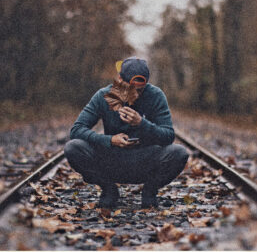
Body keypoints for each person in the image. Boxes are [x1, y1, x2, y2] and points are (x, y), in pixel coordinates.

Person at [64, 57, 189, 209]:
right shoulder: (104, 95)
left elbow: (168, 136)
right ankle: (109, 190)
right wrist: (110, 140)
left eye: (139, 90)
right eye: (129, 88)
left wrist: (142, 124)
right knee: (73, 147)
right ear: (119, 79)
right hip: (111, 160)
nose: (134, 94)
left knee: (179, 152)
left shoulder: (155, 95)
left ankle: (149, 191)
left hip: (144, 160)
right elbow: (77, 130)